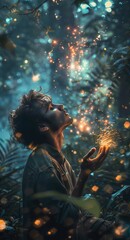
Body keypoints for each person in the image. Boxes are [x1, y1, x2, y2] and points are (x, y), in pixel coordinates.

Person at [10, 90, 114, 240]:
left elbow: (70, 207)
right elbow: (67, 221)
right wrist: (83, 176)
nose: (61, 106)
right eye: (51, 108)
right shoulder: (45, 166)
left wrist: (84, 173)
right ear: (43, 126)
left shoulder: (55, 158)